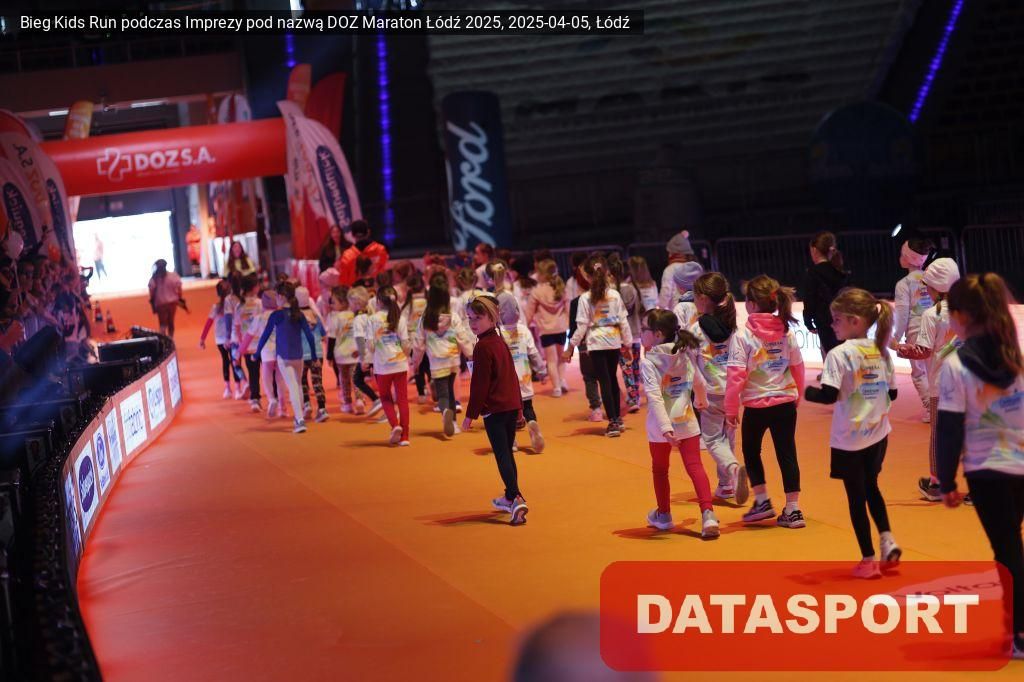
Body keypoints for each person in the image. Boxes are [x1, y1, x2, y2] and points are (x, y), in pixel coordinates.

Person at [936, 273, 1024, 659]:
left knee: (1008, 550)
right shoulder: (1015, 355)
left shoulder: (956, 365)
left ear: (960, 316)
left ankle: (1019, 630)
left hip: (987, 470)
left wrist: (945, 481)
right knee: (1011, 545)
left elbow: (950, 428)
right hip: (1020, 463)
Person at [805, 288, 901, 579]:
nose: (831, 325)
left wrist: (807, 392)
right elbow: (893, 394)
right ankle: (887, 539)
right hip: (879, 433)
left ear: (854, 321)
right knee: (872, 487)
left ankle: (868, 560)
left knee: (856, 498)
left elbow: (828, 396)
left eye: (836, 319)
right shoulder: (881, 350)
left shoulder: (839, 354)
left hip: (850, 439)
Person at [726, 274, 806, 528]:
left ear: (750, 304)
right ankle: (793, 509)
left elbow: (736, 375)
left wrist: (730, 409)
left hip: (756, 405)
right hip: (785, 403)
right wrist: (797, 394)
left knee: (751, 451)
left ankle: (762, 500)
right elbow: (798, 367)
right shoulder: (786, 332)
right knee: (787, 453)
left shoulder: (743, 336)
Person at [640, 309, 720, 537]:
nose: (640, 333)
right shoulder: (684, 353)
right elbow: (699, 381)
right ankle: (708, 514)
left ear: (657, 334)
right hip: (686, 421)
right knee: (695, 466)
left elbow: (655, 398)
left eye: (644, 329)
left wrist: (666, 429)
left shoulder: (649, 362)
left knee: (660, 470)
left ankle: (664, 515)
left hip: (659, 428)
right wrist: (702, 400)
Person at [897, 258, 962, 502]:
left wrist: (903, 350)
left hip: (942, 384)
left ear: (935, 287)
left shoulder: (931, 314)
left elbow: (923, 351)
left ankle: (937, 484)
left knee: (939, 434)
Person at [461, 294, 528, 525]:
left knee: (502, 455)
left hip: (496, 410)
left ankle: (516, 498)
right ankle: (510, 496)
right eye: (470, 318)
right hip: (510, 406)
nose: (472, 323)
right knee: (507, 453)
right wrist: (519, 407)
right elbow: (512, 376)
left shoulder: (482, 347)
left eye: (477, 318)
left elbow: (480, 385)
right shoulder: (499, 341)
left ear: (492, 318)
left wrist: (470, 415)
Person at [691, 272, 746, 502]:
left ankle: (732, 469)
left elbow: (690, 365)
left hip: (711, 392)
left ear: (703, 298)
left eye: (694, 296)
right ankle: (725, 486)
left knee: (713, 440)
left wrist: (697, 393)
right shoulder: (733, 326)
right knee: (728, 438)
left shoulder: (695, 330)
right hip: (733, 391)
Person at [565, 256, 633, 437]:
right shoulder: (614, 295)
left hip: (596, 343)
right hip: (613, 341)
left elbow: (581, 326)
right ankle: (617, 419)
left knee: (604, 381)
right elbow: (623, 322)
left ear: (587, 276)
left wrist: (570, 347)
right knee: (612, 379)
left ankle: (613, 421)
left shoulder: (585, 298)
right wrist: (628, 344)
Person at [411, 273, 476, 437]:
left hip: (436, 363)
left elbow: (418, 344)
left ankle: (445, 411)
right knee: (451, 392)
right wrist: (470, 355)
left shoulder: (425, 319)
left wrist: (415, 363)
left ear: (430, 297)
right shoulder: (453, 317)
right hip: (453, 361)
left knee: (442, 395)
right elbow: (463, 338)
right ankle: (453, 423)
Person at [255, 282, 318, 433]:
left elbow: (265, 336)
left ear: (282, 297)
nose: (276, 299)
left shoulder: (276, 315)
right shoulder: (299, 314)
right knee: (298, 384)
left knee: (293, 386)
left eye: (277, 296)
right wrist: (314, 354)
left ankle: (300, 420)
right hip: (298, 356)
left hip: (284, 357)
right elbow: (310, 336)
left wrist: (257, 353)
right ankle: (299, 416)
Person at [359, 286, 411, 446]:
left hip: (383, 366)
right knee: (402, 400)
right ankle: (405, 436)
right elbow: (405, 344)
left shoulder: (373, 319)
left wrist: (369, 357)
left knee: (386, 398)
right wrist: (407, 357)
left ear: (379, 301)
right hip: (400, 364)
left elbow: (370, 346)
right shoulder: (400, 318)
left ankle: (395, 425)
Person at [891, 238, 934, 420]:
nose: (900, 257)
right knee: (935, 370)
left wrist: (895, 337)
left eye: (903, 254)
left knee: (919, 373)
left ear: (909, 259)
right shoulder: (932, 278)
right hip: (935, 328)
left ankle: (932, 409)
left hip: (916, 332)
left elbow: (902, 314)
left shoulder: (904, 284)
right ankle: (941, 406)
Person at [498, 292, 547, 453]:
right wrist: (541, 370)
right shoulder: (524, 330)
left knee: (508, 412)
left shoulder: (498, 333)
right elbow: (534, 353)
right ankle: (532, 423)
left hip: (506, 380)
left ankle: (511, 441)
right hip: (524, 377)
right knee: (528, 407)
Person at [801, 231, 849, 360]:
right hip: (843, 318)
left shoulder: (812, 273)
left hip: (823, 319)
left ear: (814, 250)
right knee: (844, 352)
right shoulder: (840, 271)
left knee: (830, 354)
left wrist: (808, 320)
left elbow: (809, 298)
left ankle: (832, 371)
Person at [526, 259, 570, 397]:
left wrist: (524, 327)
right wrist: (569, 324)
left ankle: (556, 388)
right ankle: (562, 381)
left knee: (551, 360)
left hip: (546, 330)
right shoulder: (561, 289)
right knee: (562, 357)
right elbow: (568, 310)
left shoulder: (536, 292)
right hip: (561, 328)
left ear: (542, 274)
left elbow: (529, 313)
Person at [240, 290, 286, 419]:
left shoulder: (259, 318)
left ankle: (271, 399)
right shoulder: (282, 315)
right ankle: (283, 408)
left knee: (266, 378)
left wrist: (240, 351)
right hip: (281, 351)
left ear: (263, 304)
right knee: (280, 379)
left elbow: (248, 336)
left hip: (266, 353)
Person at [199, 279, 244, 399]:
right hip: (233, 337)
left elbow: (208, 323)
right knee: (236, 362)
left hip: (220, 339)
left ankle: (227, 389)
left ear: (217, 293)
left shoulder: (216, 307)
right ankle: (238, 389)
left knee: (225, 361)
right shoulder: (235, 304)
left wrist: (202, 339)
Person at [610, 254, 644, 413]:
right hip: (636, 333)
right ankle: (635, 395)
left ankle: (632, 398)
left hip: (621, 336)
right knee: (635, 366)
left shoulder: (612, 292)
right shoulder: (633, 289)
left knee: (626, 368)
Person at [347, 286, 383, 417]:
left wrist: (362, 358)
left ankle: (376, 399)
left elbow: (360, 339)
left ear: (356, 303)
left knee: (357, 379)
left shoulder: (358, 319)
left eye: (350, 303)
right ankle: (381, 403)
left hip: (367, 355)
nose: (349, 306)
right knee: (380, 382)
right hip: (376, 353)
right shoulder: (370, 315)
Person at [296, 286, 329, 423]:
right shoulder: (316, 316)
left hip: (301, 354)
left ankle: (307, 405)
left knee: (302, 381)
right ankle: (322, 408)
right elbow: (323, 335)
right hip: (317, 353)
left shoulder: (294, 317)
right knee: (317, 382)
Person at [326, 286, 357, 413]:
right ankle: (360, 400)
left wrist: (329, 356)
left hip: (341, 355)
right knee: (356, 378)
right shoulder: (354, 315)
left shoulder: (335, 318)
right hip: (355, 352)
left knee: (344, 379)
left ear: (343, 302)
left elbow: (332, 338)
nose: (332, 305)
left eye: (334, 302)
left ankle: (348, 403)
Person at [234, 275, 263, 412]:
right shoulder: (259, 303)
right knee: (270, 372)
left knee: (253, 373)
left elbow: (237, 327)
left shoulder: (239, 305)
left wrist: (241, 345)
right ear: (254, 288)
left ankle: (255, 399)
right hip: (261, 344)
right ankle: (275, 398)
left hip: (248, 346)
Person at [336, 220, 389, 286]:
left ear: (352, 234)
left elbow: (343, 281)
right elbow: (384, 274)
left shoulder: (347, 255)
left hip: (354, 291)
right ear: (368, 232)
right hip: (377, 290)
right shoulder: (380, 250)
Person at [659, 230, 698, 309]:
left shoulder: (670, 269)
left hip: (678, 310)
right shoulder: (695, 268)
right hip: (695, 308)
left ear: (673, 253)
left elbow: (666, 291)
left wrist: (661, 307)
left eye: (669, 252)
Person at [148, 259, 184, 338]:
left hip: (160, 303)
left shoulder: (154, 279)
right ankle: (171, 338)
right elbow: (179, 288)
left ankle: (163, 339)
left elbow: (151, 292)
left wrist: (153, 301)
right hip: (172, 303)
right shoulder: (173, 276)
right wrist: (179, 297)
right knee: (171, 322)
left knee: (162, 323)